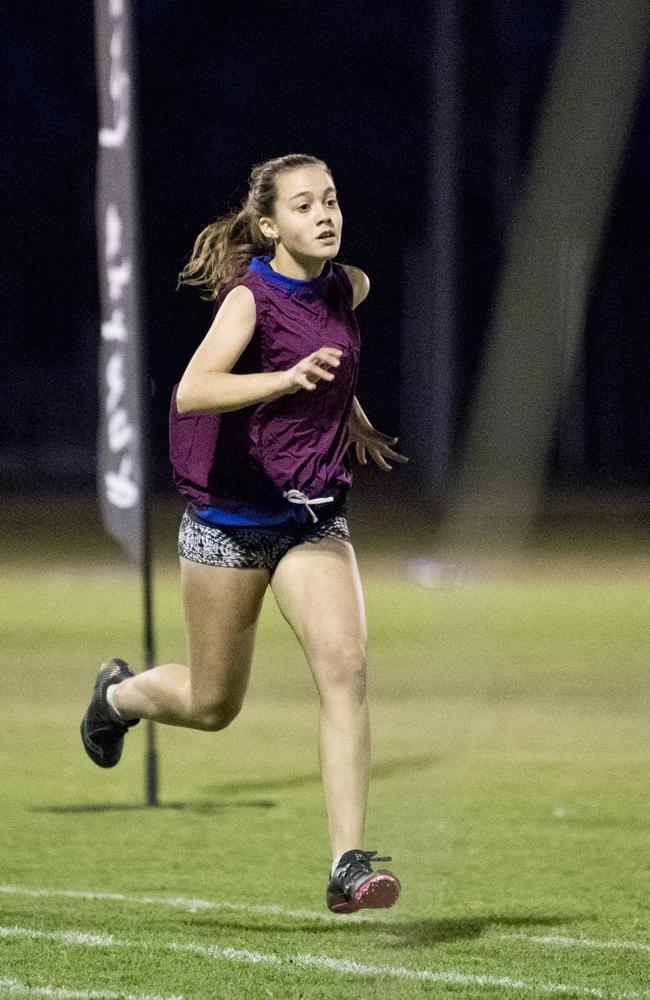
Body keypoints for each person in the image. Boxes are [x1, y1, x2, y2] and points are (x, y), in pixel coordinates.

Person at [81, 153, 408, 913]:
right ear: (268, 226)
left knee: (345, 671)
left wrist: (345, 415)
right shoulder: (248, 300)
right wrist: (286, 381)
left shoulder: (346, 285)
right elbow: (196, 391)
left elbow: (334, 359)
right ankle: (119, 697)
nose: (325, 214)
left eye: (330, 199)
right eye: (303, 206)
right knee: (213, 705)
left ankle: (349, 864)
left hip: (311, 517)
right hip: (229, 522)